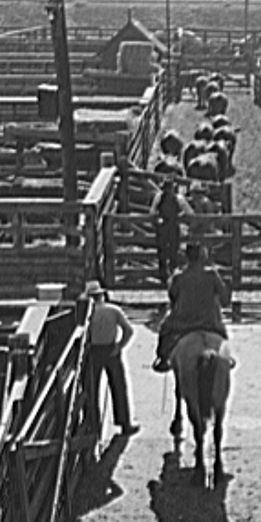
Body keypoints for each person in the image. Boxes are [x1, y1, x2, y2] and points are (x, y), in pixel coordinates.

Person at [153, 242, 230, 373]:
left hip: (182, 323)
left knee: (164, 328)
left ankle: (163, 358)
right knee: (223, 335)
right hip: (210, 322)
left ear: (186, 257)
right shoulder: (212, 275)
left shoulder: (178, 277)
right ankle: (227, 359)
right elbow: (225, 301)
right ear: (203, 256)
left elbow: (173, 298)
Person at [85, 280, 139, 436]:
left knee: (91, 389)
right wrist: (120, 346)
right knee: (119, 386)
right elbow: (128, 330)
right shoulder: (113, 310)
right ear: (102, 295)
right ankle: (125, 423)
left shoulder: (88, 314)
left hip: (94, 351)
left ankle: (92, 424)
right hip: (111, 349)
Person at [150, 177, 193, 287]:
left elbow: (152, 212)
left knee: (166, 252)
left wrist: (158, 220)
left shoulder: (160, 197)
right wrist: (179, 216)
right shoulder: (177, 198)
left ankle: (166, 277)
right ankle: (170, 277)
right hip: (172, 226)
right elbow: (189, 212)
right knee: (170, 251)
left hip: (165, 226)